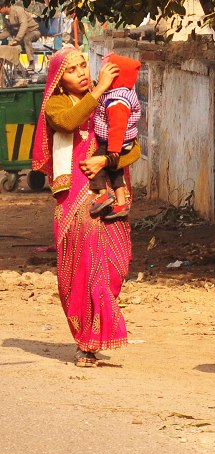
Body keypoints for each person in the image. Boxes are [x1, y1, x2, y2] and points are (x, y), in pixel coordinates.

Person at [31, 48, 141, 367]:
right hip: (75, 199)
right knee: (83, 270)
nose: (81, 72)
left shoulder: (108, 103)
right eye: (72, 69)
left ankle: (97, 332)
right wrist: (99, 89)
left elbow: (132, 148)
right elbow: (68, 122)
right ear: (59, 80)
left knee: (116, 267)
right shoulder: (58, 103)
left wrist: (105, 159)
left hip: (109, 193)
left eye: (83, 65)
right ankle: (86, 343)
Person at [88, 53, 142, 220]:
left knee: (97, 164)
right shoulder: (124, 93)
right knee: (115, 172)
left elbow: (118, 125)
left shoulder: (117, 100)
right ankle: (121, 203)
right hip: (122, 142)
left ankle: (103, 194)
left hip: (115, 142)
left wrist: (113, 149)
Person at [0, 0, 42, 73]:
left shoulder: (18, 10)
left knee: (27, 38)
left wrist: (17, 39)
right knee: (11, 48)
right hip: (20, 37)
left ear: (5, 6)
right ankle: (19, 68)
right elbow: (8, 31)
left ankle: (32, 63)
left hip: (33, 32)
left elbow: (24, 25)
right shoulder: (4, 16)